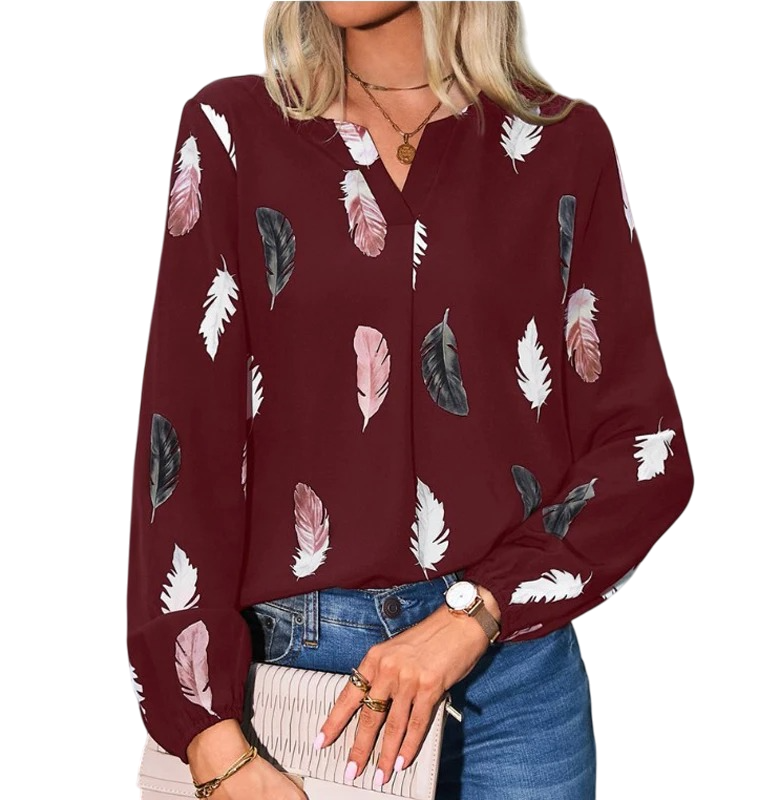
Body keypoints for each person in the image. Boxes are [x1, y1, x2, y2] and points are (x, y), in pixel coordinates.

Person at [126, 2, 695, 798]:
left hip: (515, 688)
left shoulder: (562, 144)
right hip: (304, 692)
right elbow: (183, 444)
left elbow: (645, 447)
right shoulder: (233, 131)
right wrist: (212, 741)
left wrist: (476, 614)